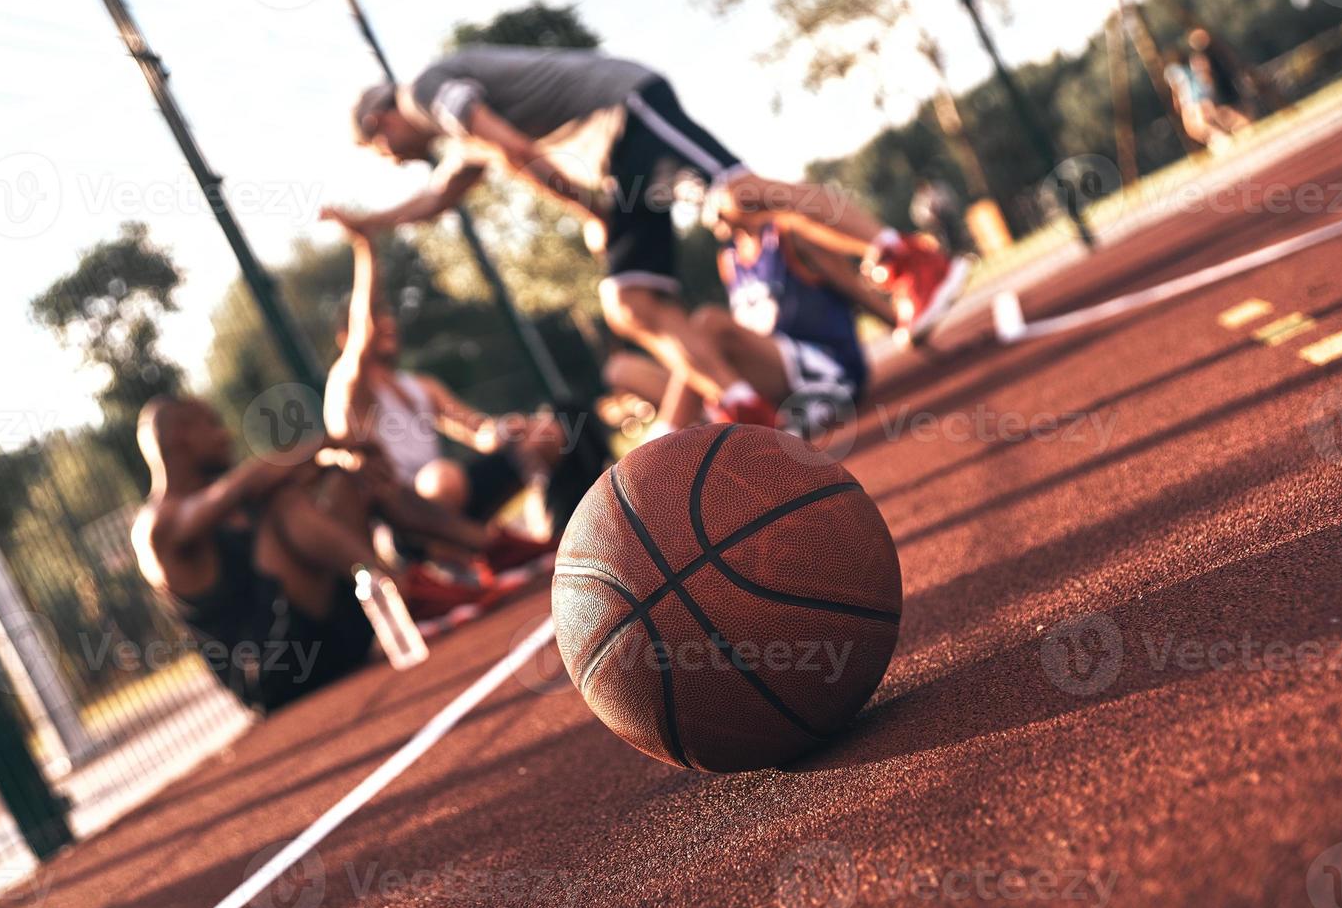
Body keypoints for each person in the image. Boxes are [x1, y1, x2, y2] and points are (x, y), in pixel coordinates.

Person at [328, 46, 968, 425]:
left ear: (382, 118)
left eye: (380, 147)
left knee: (739, 194)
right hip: (613, 159)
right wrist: (371, 226)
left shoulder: (423, 93)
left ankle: (906, 256)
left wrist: (590, 215)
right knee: (627, 304)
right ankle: (744, 407)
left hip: (625, 107)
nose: (390, 156)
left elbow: (518, 149)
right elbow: (440, 197)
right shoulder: (452, 138)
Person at [132, 397, 491, 709]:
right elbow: (249, 483)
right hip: (278, 671)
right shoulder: (157, 526)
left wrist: (349, 458)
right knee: (283, 501)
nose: (225, 434)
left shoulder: (221, 501)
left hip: (332, 635)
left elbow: (266, 482)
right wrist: (331, 440)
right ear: (181, 436)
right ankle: (397, 587)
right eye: (212, 425)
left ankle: (486, 543)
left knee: (344, 478)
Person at [320, 209, 569, 570]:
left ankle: (542, 532)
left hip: (452, 491)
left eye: (388, 319)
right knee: (442, 477)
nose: (386, 323)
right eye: (378, 319)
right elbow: (365, 326)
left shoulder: (420, 386)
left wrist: (504, 430)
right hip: (407, 519)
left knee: (544, 435)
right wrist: (366, 246)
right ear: (347, 338)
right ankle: (453, 572)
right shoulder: (346, 384)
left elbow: (476, 431)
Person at [605, 206, 887, 436]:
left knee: (708, 323)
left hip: (827, 370)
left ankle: (663, 449)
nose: (705, 212)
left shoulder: (788, 234)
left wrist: (901, 323)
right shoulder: (729, 258)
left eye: (710, 196)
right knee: (622, 369)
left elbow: (853, 287)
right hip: (767, 383)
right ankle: (735, 417)